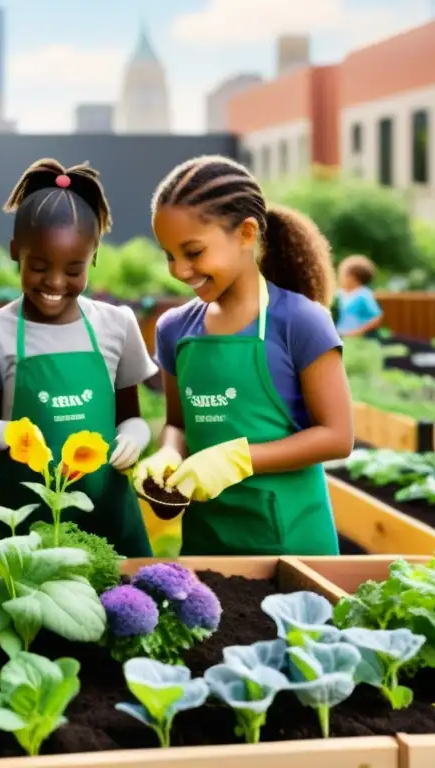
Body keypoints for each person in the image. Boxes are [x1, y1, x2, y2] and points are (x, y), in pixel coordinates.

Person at [134, 154, 354, 556]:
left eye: (193, 251)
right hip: (207, 542)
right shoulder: (174, 329)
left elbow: (338, 437)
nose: (179, 270)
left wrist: (239, 458)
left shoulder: (300, 322)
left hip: (294, 543)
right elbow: (179, 425)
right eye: (168, 254)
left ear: (246, 233)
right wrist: (167, 450)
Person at [0, 158, 156, 557]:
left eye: (74, 269)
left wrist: (134, 439)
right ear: (16, 251)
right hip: (28, 530)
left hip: (112, 521)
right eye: (39, 266)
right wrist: (14, 434)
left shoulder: (117, 325)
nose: (54, 282)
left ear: (93, 256)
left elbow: (131, 416)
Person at [335, 254, 384, 337]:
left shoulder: (364, 294)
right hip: (340, 334)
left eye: (343, 274)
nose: (340, 277)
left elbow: (377, 317)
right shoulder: (339, 293)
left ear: (353, 277)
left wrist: (359, 331)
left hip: (357, 337)